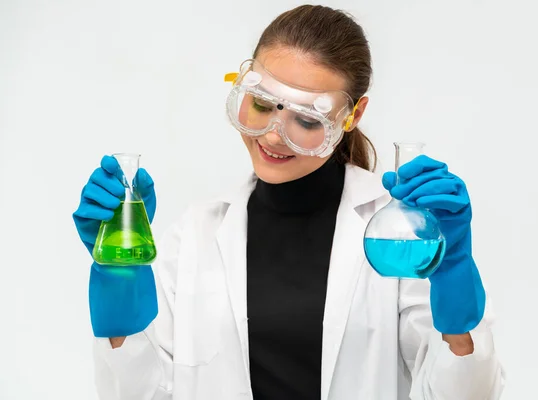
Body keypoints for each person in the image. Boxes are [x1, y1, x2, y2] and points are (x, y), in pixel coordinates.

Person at [73, 5, 505, 399]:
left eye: (306, 119)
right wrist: (119, 281)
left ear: (352, 115)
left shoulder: (399, 237)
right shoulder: (194, 235)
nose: (275, 135)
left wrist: (455, 281)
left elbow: (463, 395)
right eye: (261, 104)